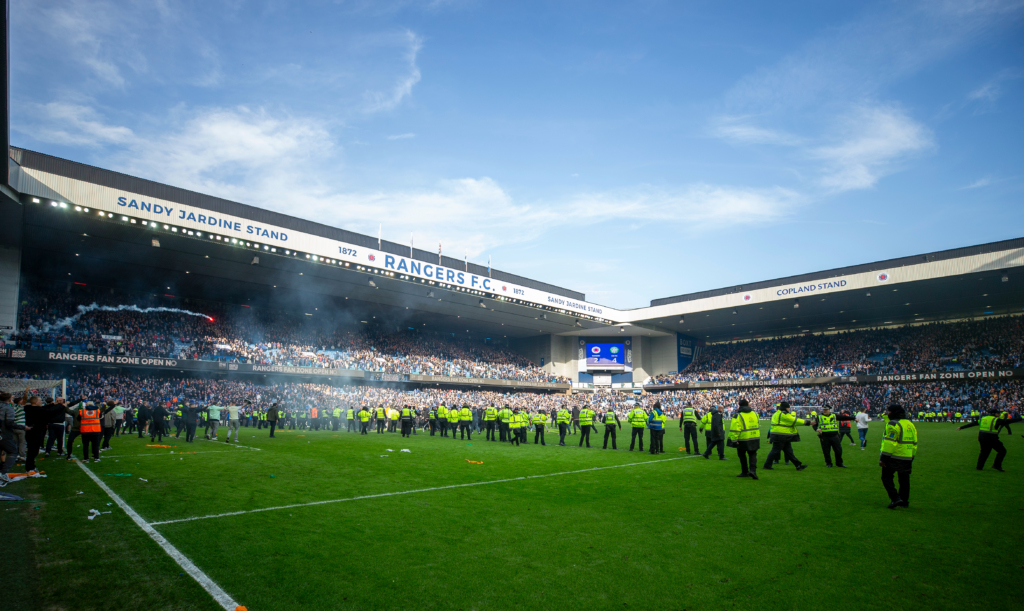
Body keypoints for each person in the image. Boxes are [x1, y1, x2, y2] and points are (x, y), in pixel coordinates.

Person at [958, 408, 1023, 471]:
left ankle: (979, 467)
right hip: (991, 437)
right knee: (1002, 451)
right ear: (994, 413)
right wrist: (1020, 418)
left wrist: (961, 427)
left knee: (984, 452)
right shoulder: (995, 419)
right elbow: (1007, 421)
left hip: (981, 437)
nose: (999, 414)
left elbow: (973, 424)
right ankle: (996, 465)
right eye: (998, 413)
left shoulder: (983, 418)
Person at [880, 404, 917, 509]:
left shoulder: (893, 424)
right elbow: (915, 441)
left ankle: (895, 498)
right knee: (904, 479)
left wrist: (883, 458)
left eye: (888, 411)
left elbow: (890, 443)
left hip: (894, 456)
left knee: (886, 477)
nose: (887, 413)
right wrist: (912, 455)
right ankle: (904, 501)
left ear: (892, 413)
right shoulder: (909, 423)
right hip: (907, 455)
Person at [762, 402, 810, 471]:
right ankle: (767, 465)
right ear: (786, 408)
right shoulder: (784, 414)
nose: (789, 409)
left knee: (789, 451)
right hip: (781, 435)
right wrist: (808, 422)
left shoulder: (776, 413)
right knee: (775, 451)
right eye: (788, 408)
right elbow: (794, 420)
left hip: (779, 435)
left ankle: (798, 465)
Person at [729, 399, 760, 479]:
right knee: (753, 454)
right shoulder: (755, 414)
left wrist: (734, 440)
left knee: (742, 455)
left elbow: (735, 428)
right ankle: (753, 471)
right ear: (748, 404)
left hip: (743, 438)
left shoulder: (738, 415)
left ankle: (745, 471)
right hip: (754, 437)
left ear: (739, 405)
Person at [0, 392, 25, 486]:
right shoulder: (9, 408)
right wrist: (23, 427)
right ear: (9, 399)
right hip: (4, 434)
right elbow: (9, 423)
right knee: (13, 451)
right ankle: (2, 473)